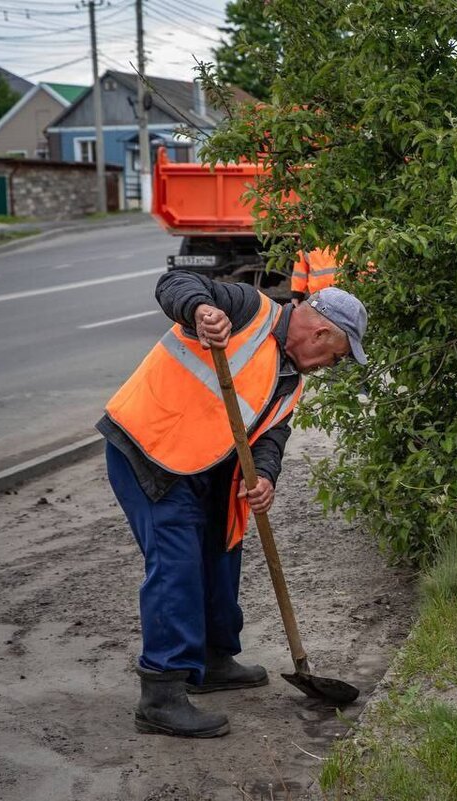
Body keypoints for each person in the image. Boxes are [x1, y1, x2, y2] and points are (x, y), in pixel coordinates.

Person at [96, 270, 368, 738]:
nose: (330, 367)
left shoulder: (291, 378)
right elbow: (175, 282)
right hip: (151, 448)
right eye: (336, 357)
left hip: (209, 466)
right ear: (321, 332)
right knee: (177, 565)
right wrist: (200, 311)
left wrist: (265, 476)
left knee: (222, 556)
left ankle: (213, 657)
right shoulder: (246, 308)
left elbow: (272, 433)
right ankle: (160, 695)